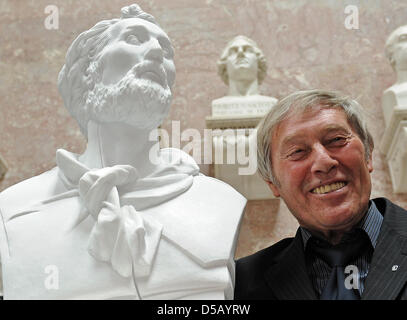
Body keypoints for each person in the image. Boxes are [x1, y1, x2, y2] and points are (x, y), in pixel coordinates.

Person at [0, 4, 246, 299]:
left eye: (166, 49)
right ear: (88, 71)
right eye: (133, 39)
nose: (157, 52)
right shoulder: (14, 211)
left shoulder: (218, 203)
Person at [234, 89, 407, 300]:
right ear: (273, 183)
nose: (324, 162)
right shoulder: (239, 284)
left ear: (368, 154)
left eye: (336, 139)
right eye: (297, 151)